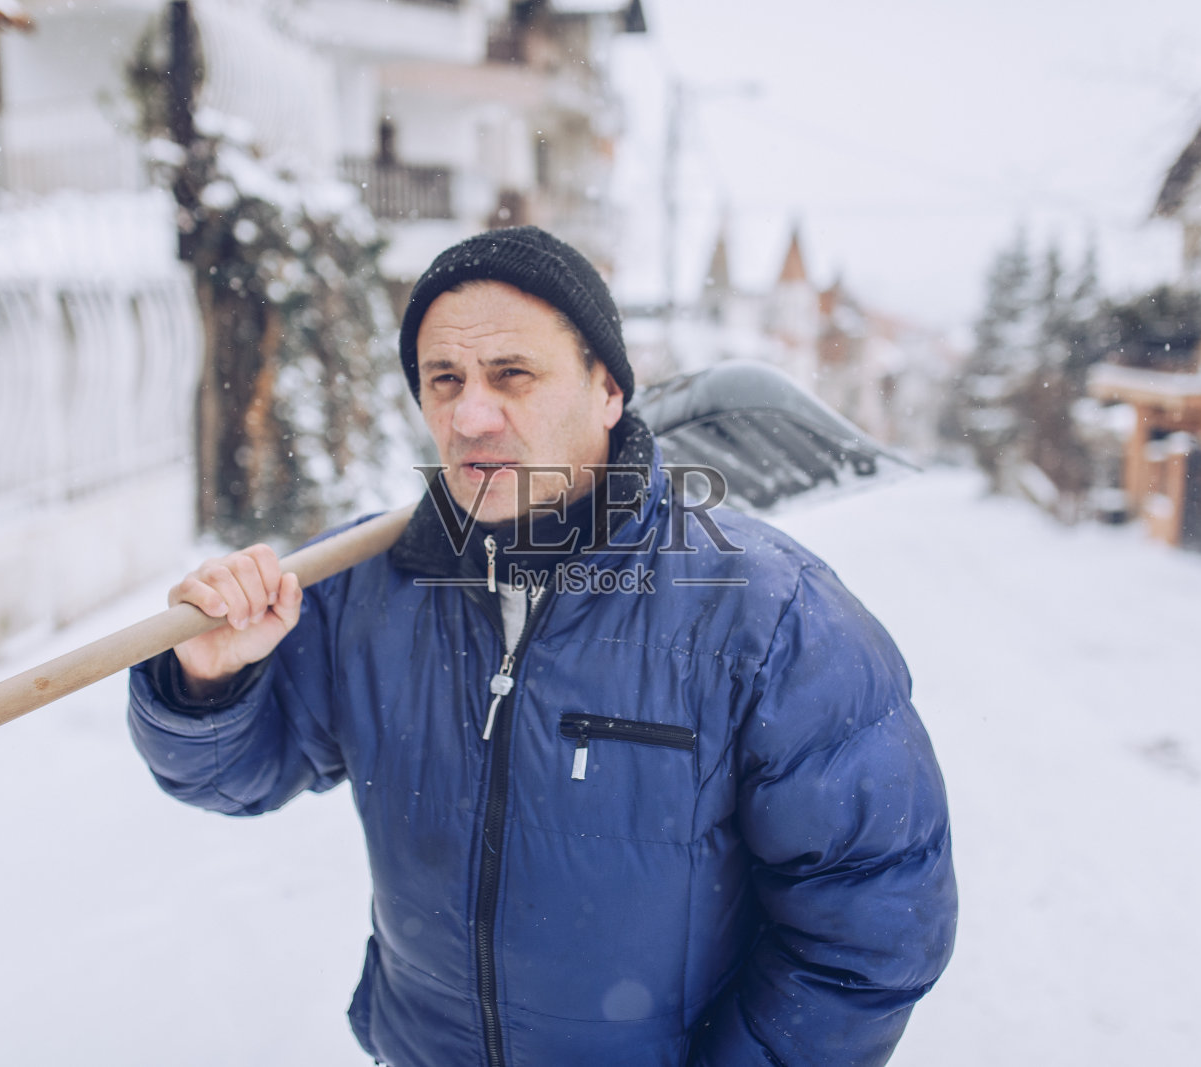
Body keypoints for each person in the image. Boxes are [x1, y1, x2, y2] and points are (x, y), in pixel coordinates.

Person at [128, 226, 957, 1067]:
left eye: (511, 375)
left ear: (607, 392)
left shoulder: (770, 616)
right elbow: (230, 776)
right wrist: (209, 678)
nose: (469, 414)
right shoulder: (362, 587)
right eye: (442, 380)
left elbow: (873, 923)